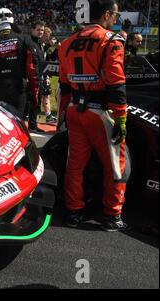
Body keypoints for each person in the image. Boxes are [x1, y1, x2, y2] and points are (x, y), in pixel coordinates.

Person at [58, 0, 129, 231]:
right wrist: (121, 119)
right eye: (115, 15)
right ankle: (112, 216)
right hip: (100, 114)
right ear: (106, 14)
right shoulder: (111, 40)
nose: (116, 20)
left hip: (74, 111)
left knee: (75, 164)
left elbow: (64, 86)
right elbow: (116, 84)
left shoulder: (66, 43)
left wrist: (62, 119)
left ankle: (74, 211)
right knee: (115, 165)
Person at [23, 20, 46, 132]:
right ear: (32, 29)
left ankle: (32, 125)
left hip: (39, 78)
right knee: (27, 104)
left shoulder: (39, 44)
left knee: (36, 104)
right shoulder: (28, 42)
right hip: (29, 79)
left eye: (42, 30)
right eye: (38, 30)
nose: (40, 32)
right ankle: (20, 126)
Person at [40, 26, 57, 124]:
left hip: (44, 73)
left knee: (46, 94)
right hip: (39, 73)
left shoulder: (45, 46)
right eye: (46, 35)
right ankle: (48, 115)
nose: (47, 38)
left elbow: (51, 58)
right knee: (43, 95)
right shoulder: (39, 45)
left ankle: (48, 115)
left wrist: (55, 48)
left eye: (48, 36)